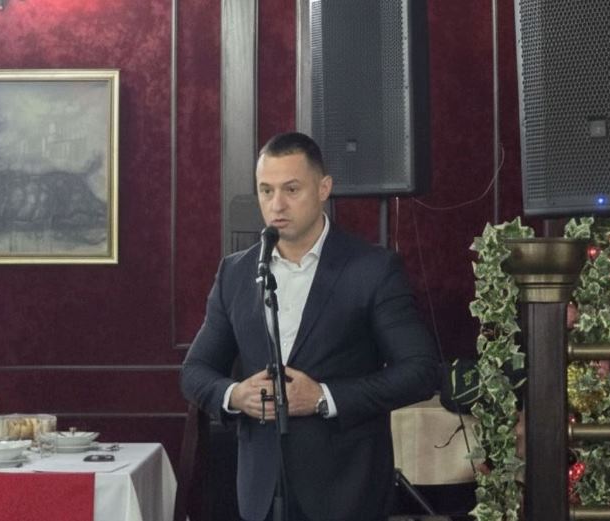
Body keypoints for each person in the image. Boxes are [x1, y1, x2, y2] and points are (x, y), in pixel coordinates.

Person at [180, 132, 440, 521]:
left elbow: (420, 371)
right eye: (266, 191)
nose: (276, 205)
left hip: (346, 492)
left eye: (291, 189)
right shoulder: (234, 272)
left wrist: (323, 398)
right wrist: (235, 395)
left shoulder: (373, 268)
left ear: (323, 189)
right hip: (260, 494)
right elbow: (195, 372)